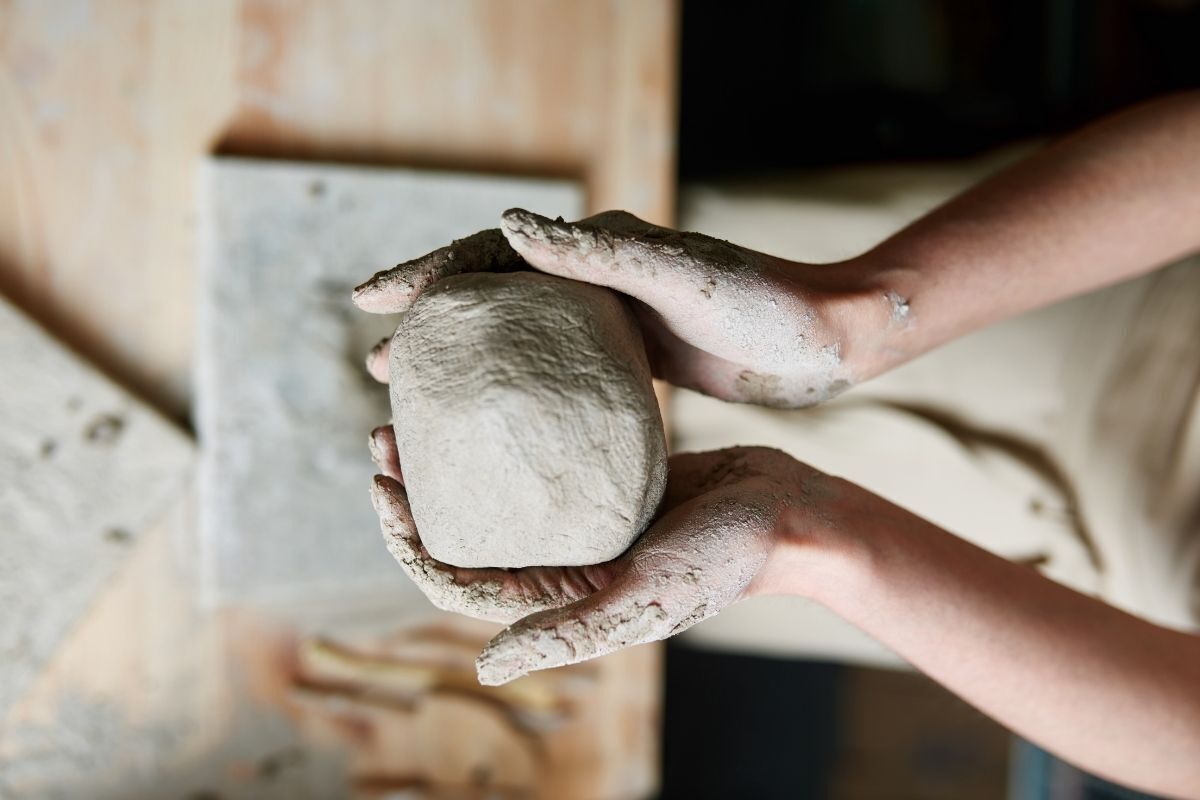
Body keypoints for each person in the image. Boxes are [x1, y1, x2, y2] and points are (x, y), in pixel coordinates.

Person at [352, 92, 1200, 797]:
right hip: (1090, 285)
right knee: (634, 281)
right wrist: (863, 312)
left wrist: (819, 538)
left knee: (682, 539)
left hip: (1059, 602)